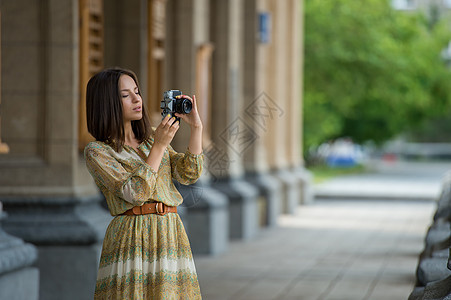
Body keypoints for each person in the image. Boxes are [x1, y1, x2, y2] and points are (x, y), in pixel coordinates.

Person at [84, 67, 203, 299]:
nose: (137, 99)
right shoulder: (98, 151)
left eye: (137, 92)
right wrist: (159, 146)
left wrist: (196, 128)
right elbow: (135, 193)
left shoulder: (150, 138)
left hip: (170, 232)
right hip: (131, 237)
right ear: (106, 102)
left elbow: (188, 173)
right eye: (125, 95)